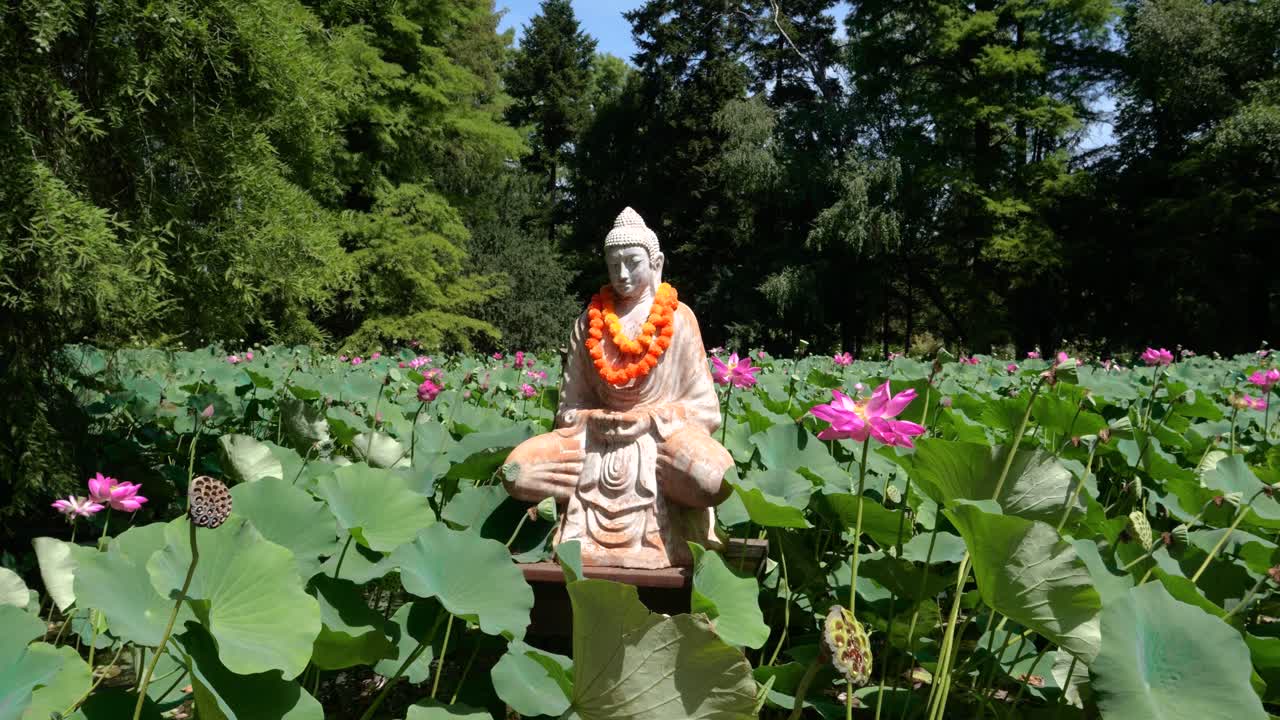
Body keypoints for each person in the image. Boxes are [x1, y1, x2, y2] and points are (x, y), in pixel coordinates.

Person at [502, 207, 733, 568]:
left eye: (633, 263)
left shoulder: (678, 318)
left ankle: (667, 532)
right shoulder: (588, 322)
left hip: (663, 444)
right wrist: (594, 420)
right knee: (519, 471)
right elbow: (568, 409)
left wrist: (650, 421)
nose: (622, 274)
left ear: (656, 263)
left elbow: (704, 410)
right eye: (614, 265)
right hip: (593, 440)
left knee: (713, 478)